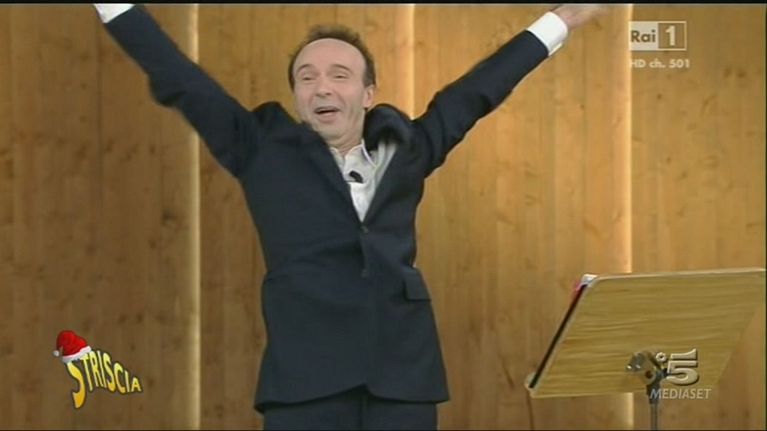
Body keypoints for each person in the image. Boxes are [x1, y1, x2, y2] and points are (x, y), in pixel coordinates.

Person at [92, 4, 606, 430]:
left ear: (368, 94)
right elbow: (180, 78)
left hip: (403, 381)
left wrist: (560, 20)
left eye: (340, 76)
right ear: (296, 96)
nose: (322, 88)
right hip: (306, 385)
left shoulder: (407, 147)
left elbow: (477, 92)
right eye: (307, 77)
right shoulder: (262, 149)